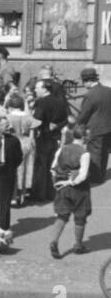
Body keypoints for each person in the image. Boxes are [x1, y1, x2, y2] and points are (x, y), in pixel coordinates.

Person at [48, 124, 91, 260]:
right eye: (89, 135)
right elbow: (83, 175)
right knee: (80, 217)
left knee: (62, 216)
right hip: (79, 190)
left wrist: (56, 183)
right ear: (84, 137)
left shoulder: (62, 149)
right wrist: (71, 181)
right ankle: (78, 245)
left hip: (62, 188)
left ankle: (54, 241)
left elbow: (53, 168)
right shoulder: (84, 153)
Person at [75, 65, 111, 184]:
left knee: (95, 153)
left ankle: (96, 178)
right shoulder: (108, 90)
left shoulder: (90, 95)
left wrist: (78, 124)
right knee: (104, 152)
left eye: (83, 82)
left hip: (95, 129)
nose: (84, 85)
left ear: (88, 81)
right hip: (108, 127)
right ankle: (101, 174)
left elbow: (83, 115)